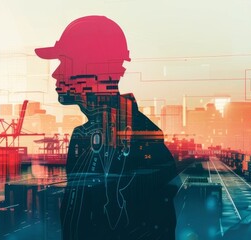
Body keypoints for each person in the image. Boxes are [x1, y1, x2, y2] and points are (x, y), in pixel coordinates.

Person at [35, 15, 178, 240]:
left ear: (91, 68)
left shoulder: (141, 141)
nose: (55, 73)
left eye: (64, 62)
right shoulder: (82, 137)